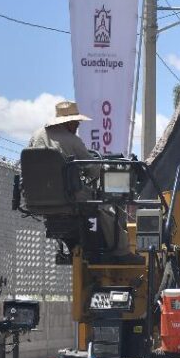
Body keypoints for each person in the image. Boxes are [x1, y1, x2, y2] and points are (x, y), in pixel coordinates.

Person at [28, 100, 130, 260]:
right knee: (104, 209)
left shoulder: (36, 136)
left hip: (38, 200)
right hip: (69, 199)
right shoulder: (72, 140)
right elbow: (94, 169)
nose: (77, 127)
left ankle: (80, 248)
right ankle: (121, 251)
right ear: (69, 123)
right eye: (76, 123)